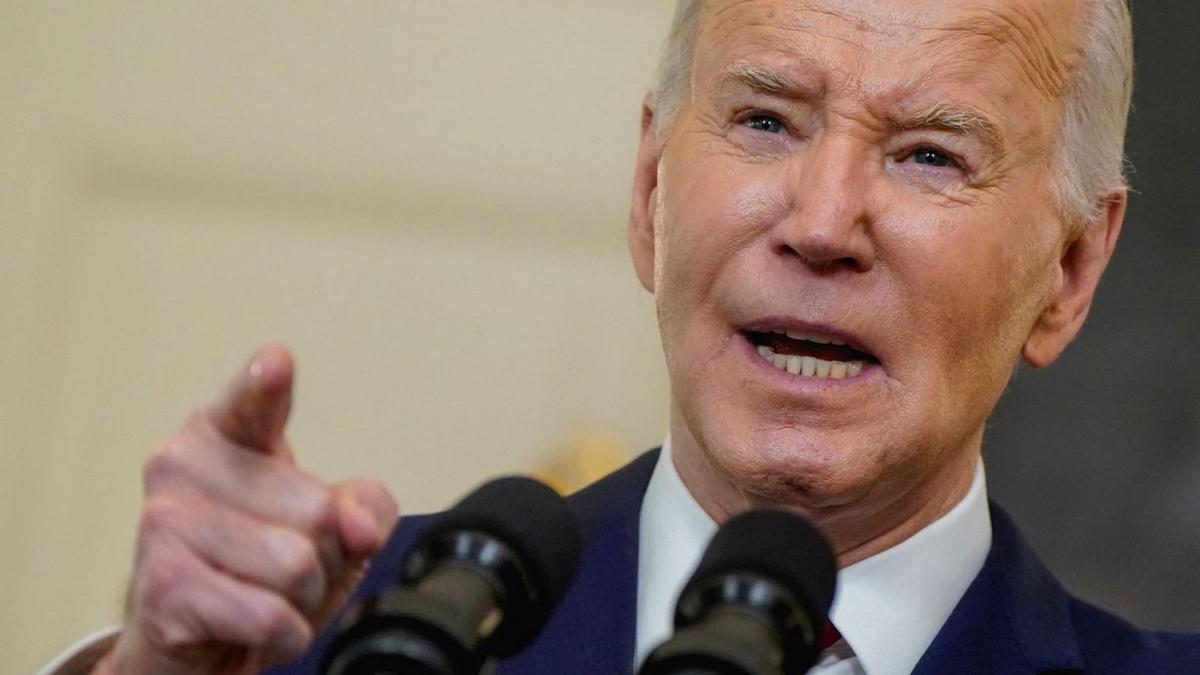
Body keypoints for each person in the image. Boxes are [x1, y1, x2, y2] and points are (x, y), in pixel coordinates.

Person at [45, 0, 1200, 673]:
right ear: (650, 191)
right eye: (764, 120)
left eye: (930, 155)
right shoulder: (325, 641)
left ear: (1069, 269)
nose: (820, 222)